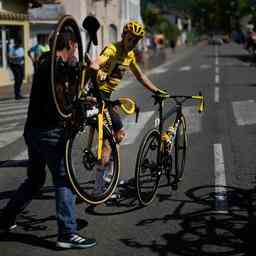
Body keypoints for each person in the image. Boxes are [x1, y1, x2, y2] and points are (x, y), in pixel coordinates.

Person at [0, 27, 96, 249]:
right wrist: (88, 73)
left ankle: (5, 218)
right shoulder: (54, 66)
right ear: (71, 44)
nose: (75, 53)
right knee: (64, 179)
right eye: (74, 49)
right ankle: (67, 233)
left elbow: (63, 96)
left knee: (35, 179)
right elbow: (62, 101)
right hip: (49, 133)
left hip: (33, 131)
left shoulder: (46, 62)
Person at [90, 20, 169, 195]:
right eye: (130, 38)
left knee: (118, 135)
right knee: (108, 144)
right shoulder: (113, 49)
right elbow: (98, 61)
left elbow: (140, 76)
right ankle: (98, 188)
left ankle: (109, 178)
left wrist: (157, 90)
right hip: (96, 97)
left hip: (106, 98)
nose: (132, 43)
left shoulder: (130, 56)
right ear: (123, 36)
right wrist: (97, 68)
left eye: (136, 41)